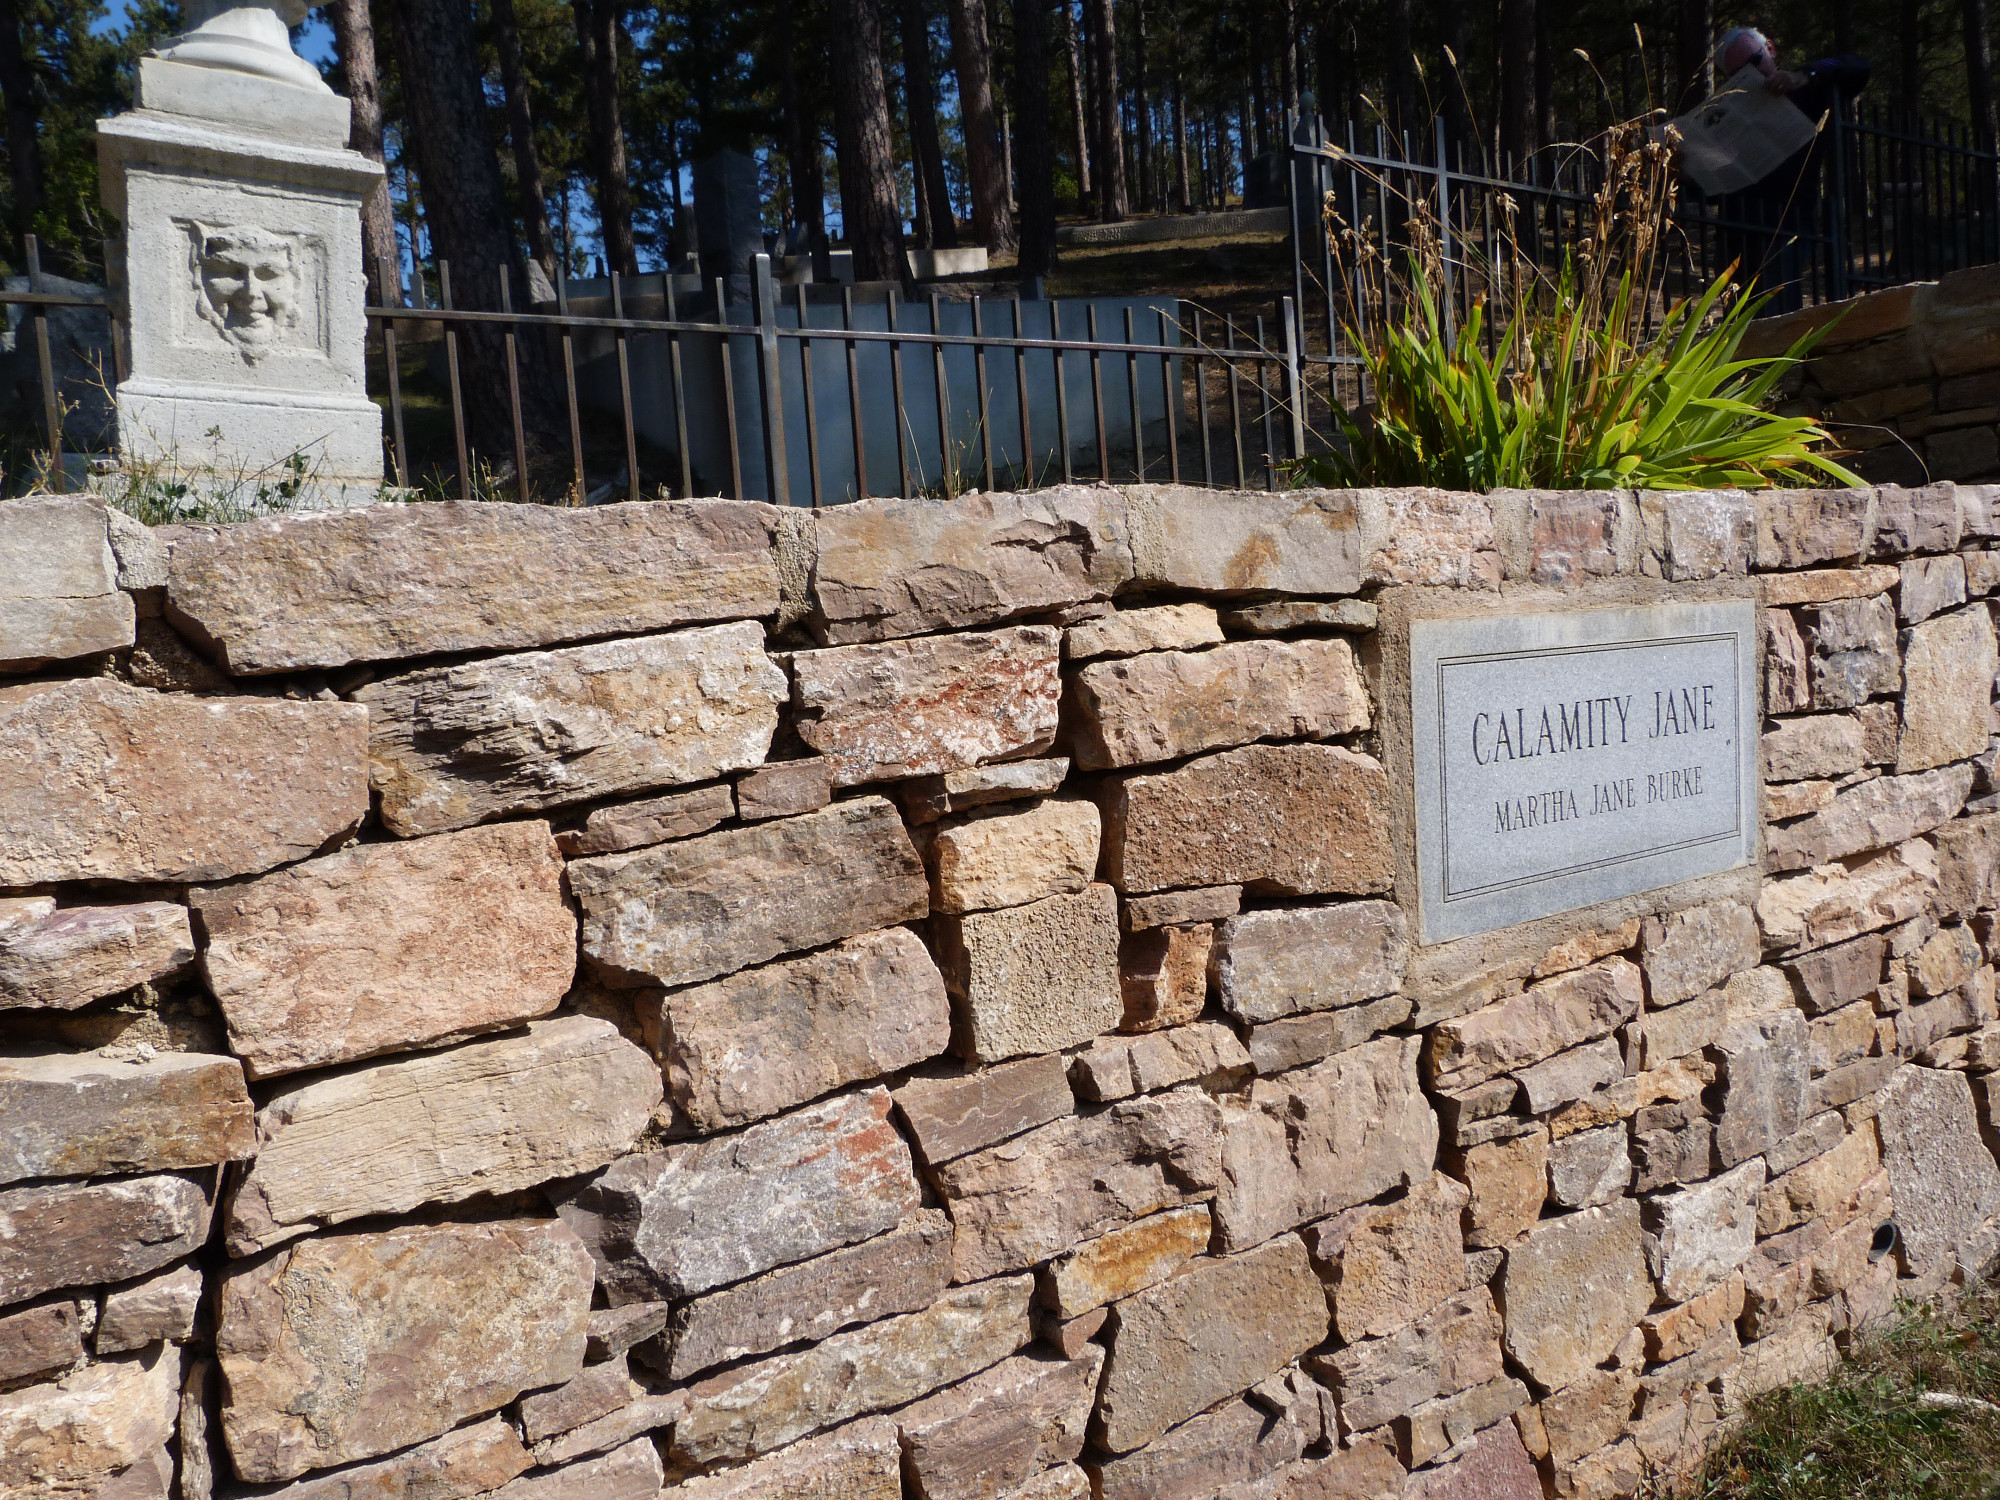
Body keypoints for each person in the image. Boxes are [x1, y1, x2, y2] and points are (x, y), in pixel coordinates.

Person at [1708, 27, 1870, 311]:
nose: (1753, 74)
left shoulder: (1806, 92)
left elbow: (1859, 67)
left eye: (1755, 62)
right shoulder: (1726, 111)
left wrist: (1805, 75)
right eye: (1737, 73)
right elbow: (1707, 188)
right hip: (1736, 225)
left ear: (1770, 48)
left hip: (1788, 220)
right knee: (1736, 317)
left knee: (1776, 306)